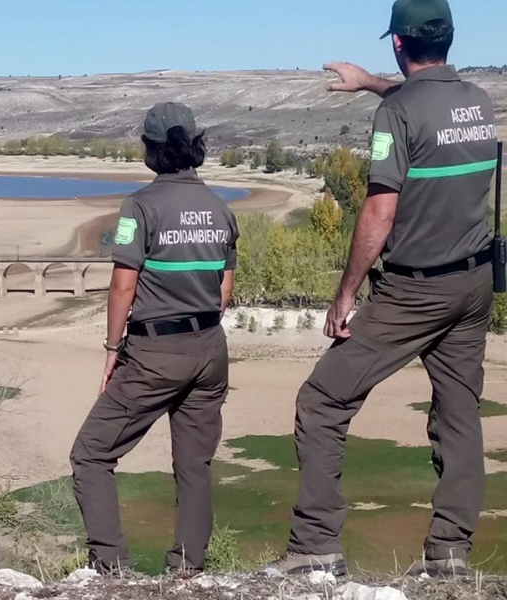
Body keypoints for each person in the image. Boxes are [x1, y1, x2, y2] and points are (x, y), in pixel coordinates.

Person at [269, 0, 499, 578]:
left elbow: (378, 211)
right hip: (474, 285)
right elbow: (424, 104)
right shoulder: (478, 102)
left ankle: (316, 548)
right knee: (458, 415)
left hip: (413, 291)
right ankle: (449, 556)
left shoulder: (394, 118)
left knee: (322, 400)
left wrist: (346, 291)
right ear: (448, 39)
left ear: (397, 43)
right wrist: (371, 83)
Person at [69, 102, 239, 577]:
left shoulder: (139, 207)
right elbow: (224, 291)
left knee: (91, 454)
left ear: (152, 150)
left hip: (154, 354)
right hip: (209, 349)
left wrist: (111, 350)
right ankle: (187, 570)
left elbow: (123, 284)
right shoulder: (220, 209)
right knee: (194, 465)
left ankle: (111, 568)